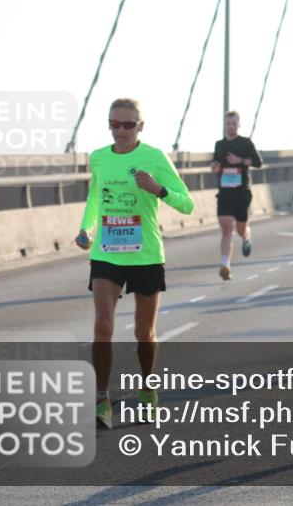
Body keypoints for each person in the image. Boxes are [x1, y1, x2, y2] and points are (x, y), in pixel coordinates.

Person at [75, 98, 195, 429]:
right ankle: (102, 400)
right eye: (115, 124)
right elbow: (94, 198)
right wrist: (86, 228)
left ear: (140, 127)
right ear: (109, 124)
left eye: (129, 125)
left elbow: (187, 204)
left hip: (145, 255)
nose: (121, 131)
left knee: (144, 332)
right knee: (103, 326)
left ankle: (147, 388)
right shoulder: (98, 158)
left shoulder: (155, 158)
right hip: (107, 253)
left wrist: (157, 189)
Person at [211, 111, 263, 281]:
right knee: (226, 229)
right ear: (224, 125)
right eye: (228, 123)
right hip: (225, 191)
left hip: (242, 191)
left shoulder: (245, 143)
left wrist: (239, 160)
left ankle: (246, 236)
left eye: (234, 123)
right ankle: (225, 265)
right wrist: (215, 168)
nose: (231, 126)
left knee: (240, 229)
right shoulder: (219, 144)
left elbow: (258, 162)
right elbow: (215, 163)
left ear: (238, 125)